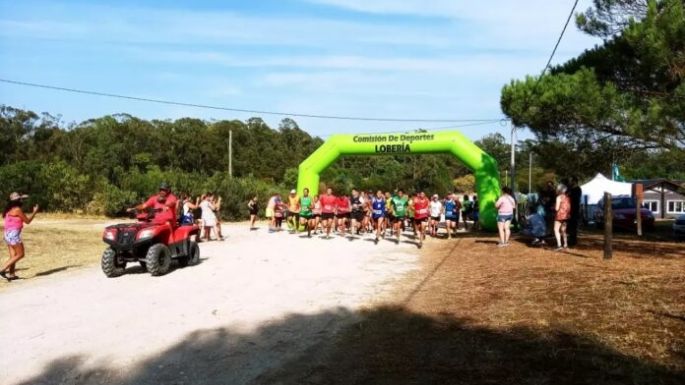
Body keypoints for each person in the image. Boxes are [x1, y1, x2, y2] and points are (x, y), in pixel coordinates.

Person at [0, 193, 39, 281]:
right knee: (20, 254)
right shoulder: (17, 209)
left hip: (7, 234)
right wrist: (35, 212)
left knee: (13, 256)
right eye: (20, 199)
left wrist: (25, 197)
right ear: (17, 201)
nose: (22, 201)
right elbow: (27, 221)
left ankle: (11, 274)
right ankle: (1, 270)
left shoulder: (9, 209)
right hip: (13, 235)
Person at [554, 184, 571, 251]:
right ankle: (565, 245)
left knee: (556, 230)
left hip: (559, 216)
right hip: (566, 216)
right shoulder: (567, 197)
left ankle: (559, 245)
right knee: (564, 231)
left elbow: (556, 208)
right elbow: (569, 207)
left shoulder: (558, 197)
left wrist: (554, 206)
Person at [567, 176, 582, 247]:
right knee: (570, 226)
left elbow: (575, 199)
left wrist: (570, 195)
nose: (570, 182)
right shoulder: (570, 189)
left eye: (571, 181)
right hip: (569, 210)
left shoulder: (578, 189)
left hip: (575, 210)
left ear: (574, 181)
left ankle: (573, 241)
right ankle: (570, 239)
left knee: (574, 226)